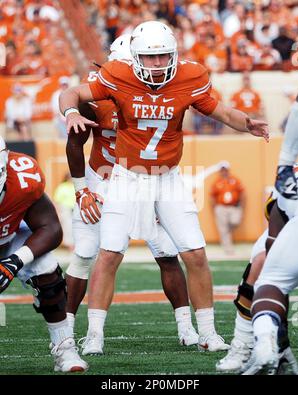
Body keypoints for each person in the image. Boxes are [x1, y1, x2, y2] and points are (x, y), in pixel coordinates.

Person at [59, 21, 268, 356]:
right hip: (126, 177)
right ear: (133, 58)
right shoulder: (117, 75)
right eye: (148, 57)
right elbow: (71, 94)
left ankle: (207, 332)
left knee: (194, 253)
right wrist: (70, 113)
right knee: (108, 253)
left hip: (167, 177)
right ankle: (94, 334)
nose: (156, 65)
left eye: (163, 57)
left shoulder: (191, 75)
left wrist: (247, 124)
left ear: (174, 54)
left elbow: (222, 111)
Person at [66, 34, 199, 352]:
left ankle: (187, 327)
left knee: (167, 253)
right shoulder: (97, 94)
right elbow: (74, 140)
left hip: (145, 178)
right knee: (86, 253)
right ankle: (66, 330)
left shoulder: (162, 92)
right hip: (103, 176)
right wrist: (81, 190)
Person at [0, 137, 87, 373]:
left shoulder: (23, 178)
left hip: (7, 238)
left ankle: (65, 350)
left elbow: (51, 229)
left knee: (47, 271)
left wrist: (15, 262)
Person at [242, 89, 298, 374]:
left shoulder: (292, 176)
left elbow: (276, 218)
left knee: (271, 282)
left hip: (291, 206)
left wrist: (285, 162)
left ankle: (264, 341)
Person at [210, 162, 245, 255]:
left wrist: (241, 206)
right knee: (223, 229)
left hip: (234, 207)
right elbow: (212, 196)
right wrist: (215, 208)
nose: (224, 172)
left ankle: (228, 235)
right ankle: (228, 249)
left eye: (225, 170)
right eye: (222, 170)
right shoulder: (216, 182)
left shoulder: (235, 180)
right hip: (221, 207)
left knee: (235, 222)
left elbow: (242, 193)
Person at [53, 173, 75, 250]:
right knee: (68, 227)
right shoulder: (62, 187)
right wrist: (58, 212)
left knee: (76, 226)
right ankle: (70, 245)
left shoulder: (75, 186)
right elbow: (57, 201)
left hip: (75, 208)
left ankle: (75, 244)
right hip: (65, 209)